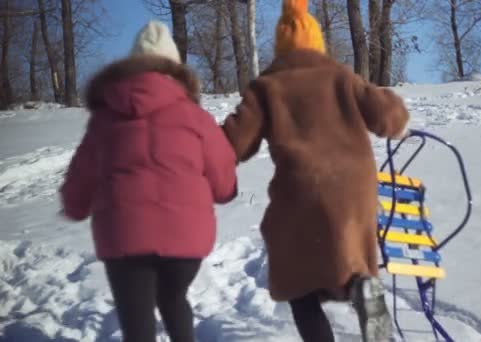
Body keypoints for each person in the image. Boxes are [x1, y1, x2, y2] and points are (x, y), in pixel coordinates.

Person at [221, 0, 410, 341]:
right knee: (348, 255)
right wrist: (397, 115)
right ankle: (362, 287)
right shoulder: (341, 76)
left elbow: (235, 143)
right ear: (318, 44)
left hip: (303, 190)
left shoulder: (267, 86)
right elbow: (386, 117)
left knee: (298, 282)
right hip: (355, 187)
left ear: (280, 47)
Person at [59, 21, 237, 342]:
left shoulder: (106, 116)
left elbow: (81, 174)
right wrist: (226, 191)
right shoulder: (195, 116)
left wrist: (74, 206)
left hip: (123, 236)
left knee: (136, 320)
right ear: (176, 69)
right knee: (173, 297)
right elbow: (223, 175)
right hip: (185, 238)